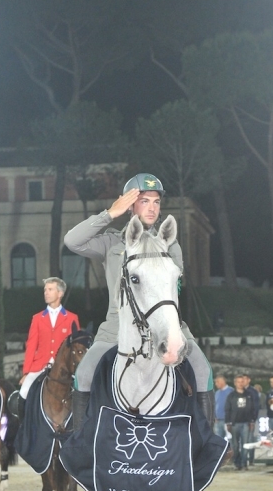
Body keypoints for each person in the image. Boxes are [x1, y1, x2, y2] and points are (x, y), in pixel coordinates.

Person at [63, 173, 214, 428]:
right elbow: (72, 241)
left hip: (165, 324)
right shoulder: (111, 243)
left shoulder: (169, 243)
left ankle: (207, 442)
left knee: (203, 370)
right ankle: (81, 444)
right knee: (84, 374)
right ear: (130, 204)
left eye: (156, 202)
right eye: (144, 201)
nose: (152, 208)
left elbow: (170, 287)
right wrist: (109, 214)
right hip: (115, 329)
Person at [19, 277, 80, 411]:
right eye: (45, 290)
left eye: (50, 289)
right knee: (23, 392)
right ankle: (23, 426)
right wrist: (26, 372)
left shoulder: (71, 318)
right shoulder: (37, 318)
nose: (46, 292)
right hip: (39, 366)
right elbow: (31, 346)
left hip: (63, 368)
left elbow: (75, 347)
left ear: (60, 293)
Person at [225, 372, 260, 470]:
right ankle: (237, 463)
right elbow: (227, 409)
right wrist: (228, 422)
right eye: (238, 382)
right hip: (234, 424)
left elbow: (253, 408)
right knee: (235, 446)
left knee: (245, 445)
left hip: (246, 423)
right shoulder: (231, 396)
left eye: (242, 382)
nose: (240, 384)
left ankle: (244, 464)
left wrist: (252, 421)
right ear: (235, 383)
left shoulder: (249, 395)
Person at [213, 374, 233, 439]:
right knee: (218, 440)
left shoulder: (231, 391)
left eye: (217, 382)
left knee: (230, 440)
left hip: (227, 421)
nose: (216, 384)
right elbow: (215, 405)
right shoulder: (217, 393)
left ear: (223, 381)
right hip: (218, 421)